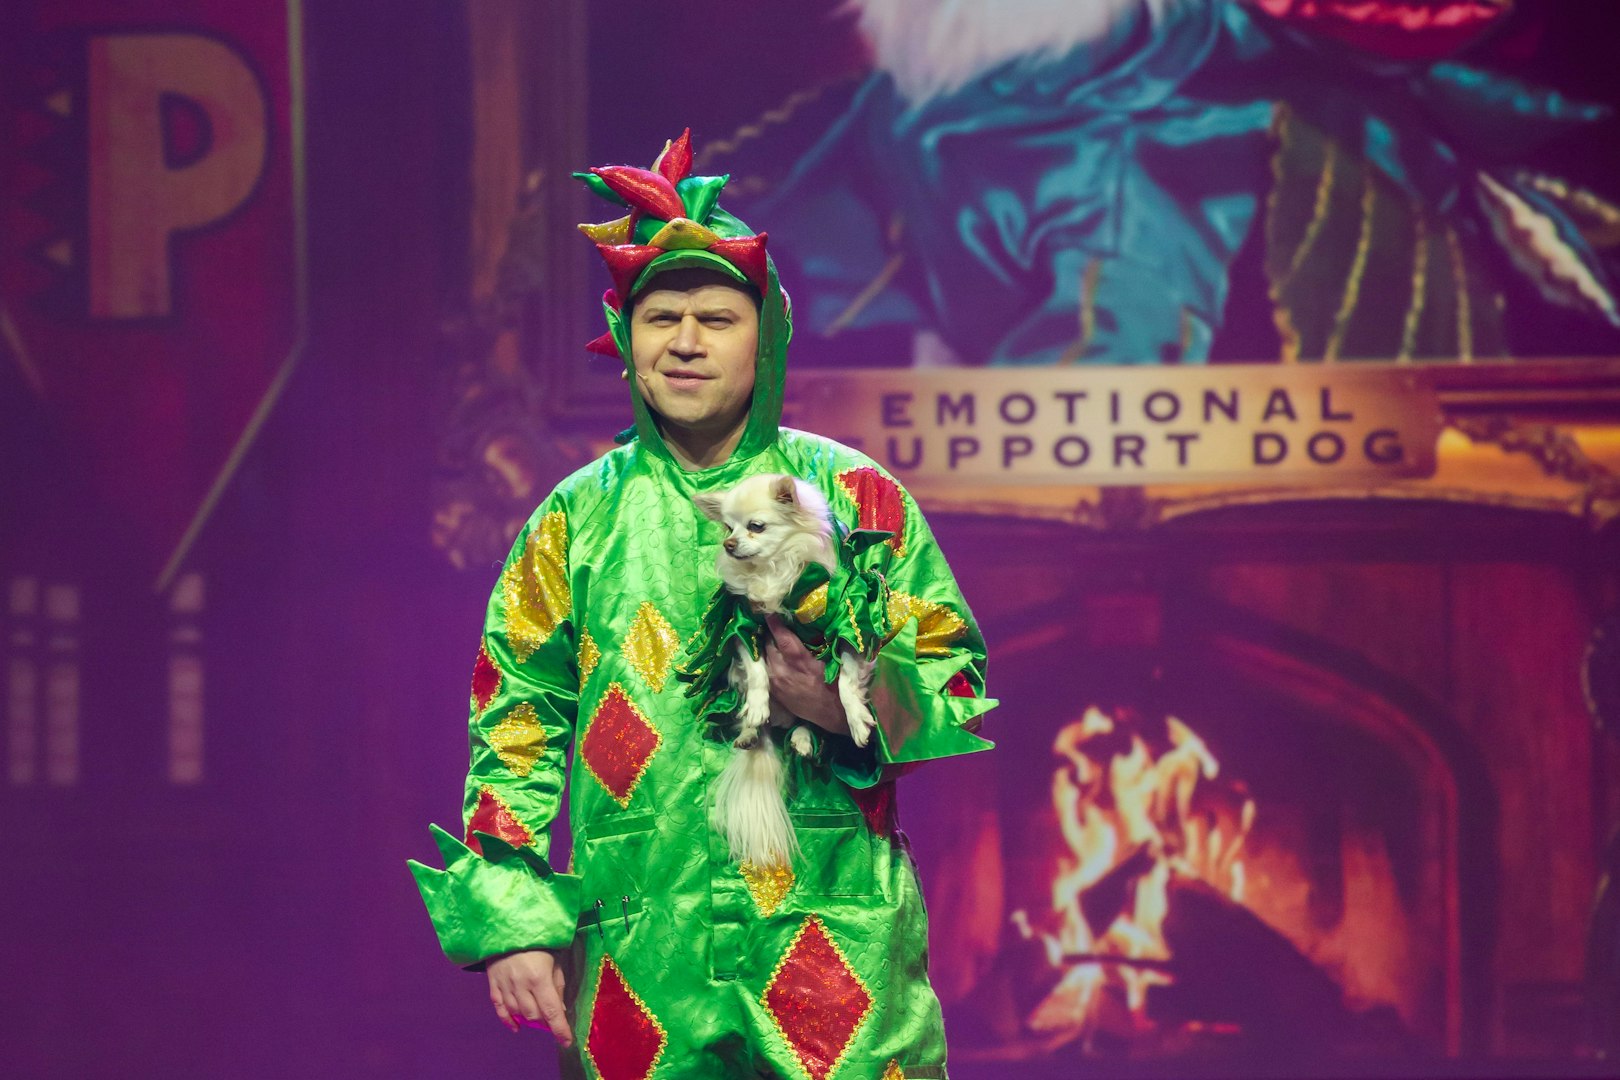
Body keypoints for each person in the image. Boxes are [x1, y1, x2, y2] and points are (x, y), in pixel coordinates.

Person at [410, 129, 996, 1080]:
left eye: (716, 319)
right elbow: (517, 711)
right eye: (661, 317)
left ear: (766, 338)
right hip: (642, 954)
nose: (684, 342)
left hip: (831, 945)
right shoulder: (574, 520)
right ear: (628, 338)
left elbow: (953, 683)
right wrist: (513, 918)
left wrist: (840, 704)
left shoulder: (856, 497)